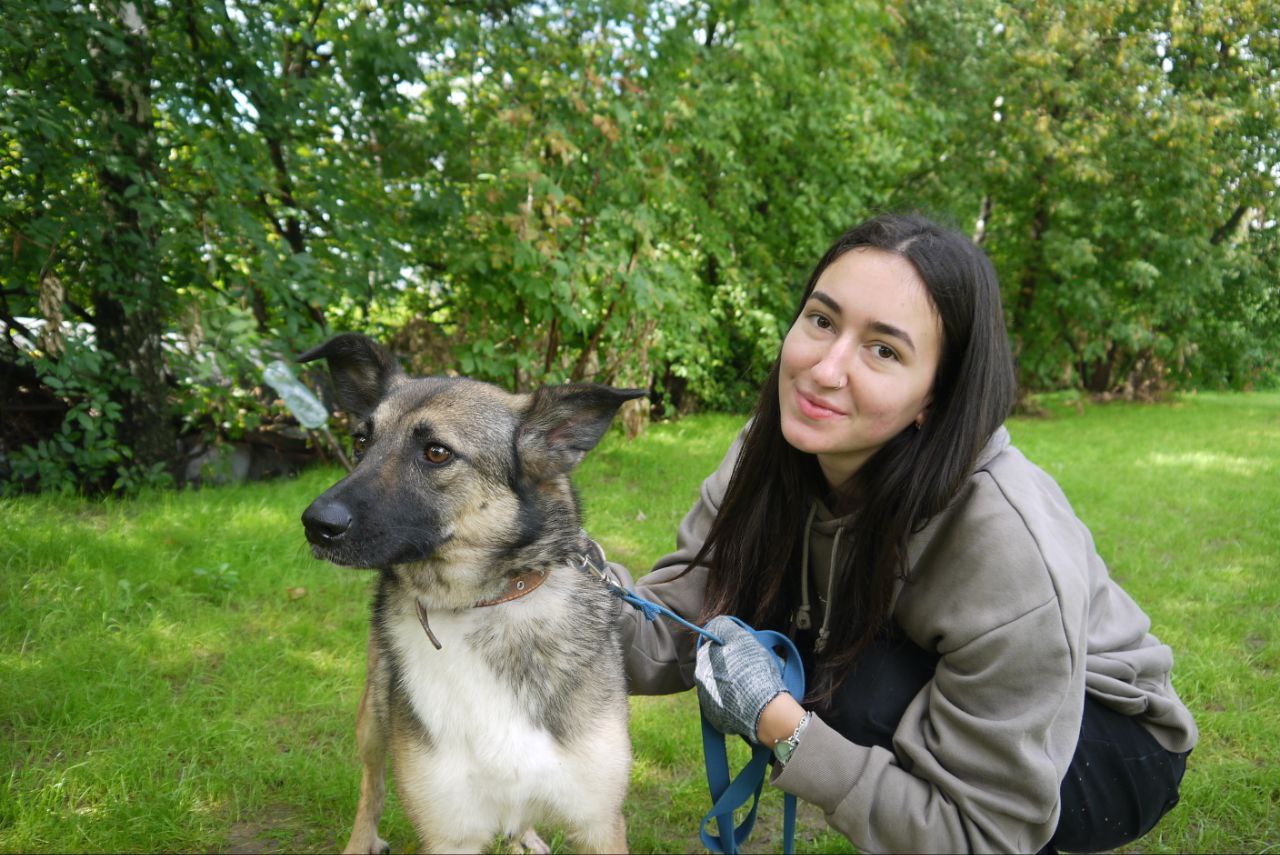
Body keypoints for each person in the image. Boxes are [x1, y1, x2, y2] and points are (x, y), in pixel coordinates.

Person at [606, 213, 1196, 853]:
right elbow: (677, 623)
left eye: (883, 350)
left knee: (859, 696)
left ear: (934, 399)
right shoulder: (768, 454)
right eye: (822, 321)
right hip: (946, 685)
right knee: (841, 679)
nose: (825, 370)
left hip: (1102, 740)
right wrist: (549, 585)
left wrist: (783, 726)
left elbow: (985, 833)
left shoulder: (1005, 542)